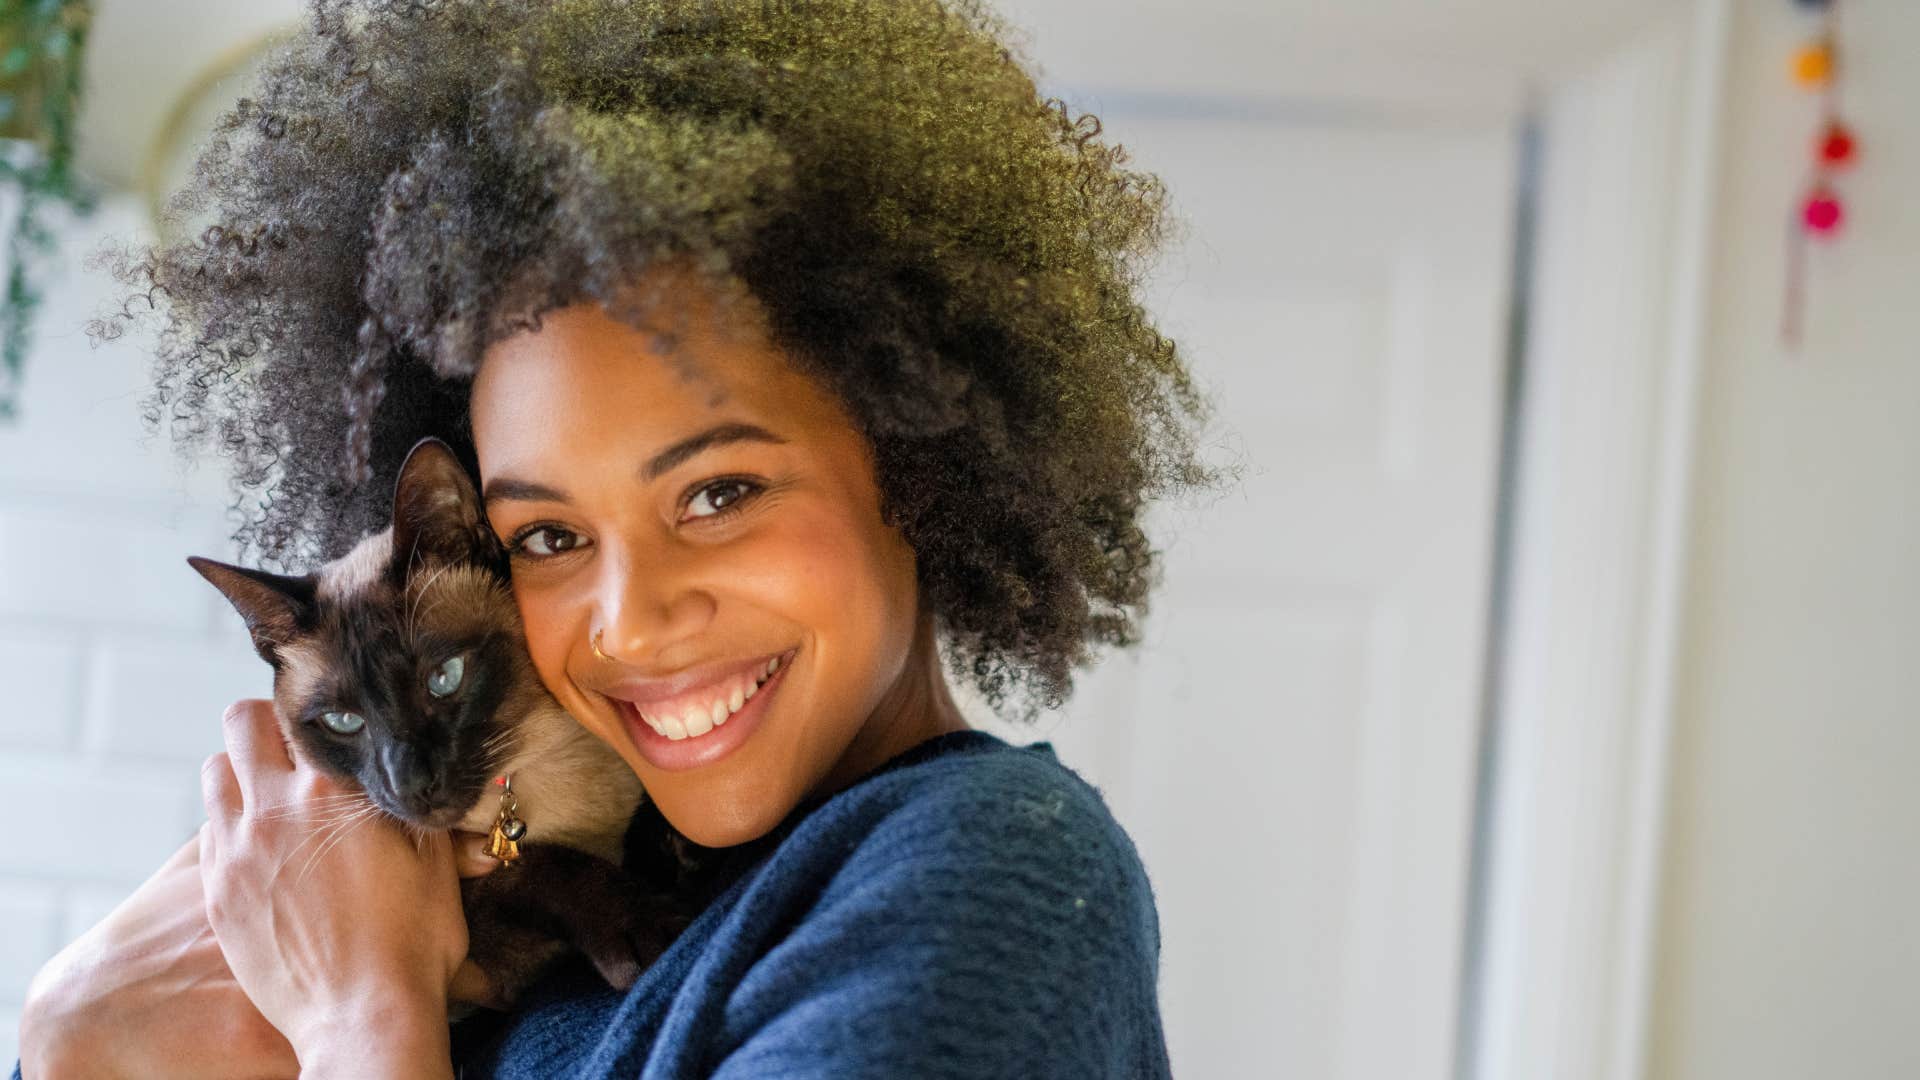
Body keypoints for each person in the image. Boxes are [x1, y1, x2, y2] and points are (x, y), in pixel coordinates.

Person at [17, 0, 1212, 1075]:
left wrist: (360, 1020)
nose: (631, 619)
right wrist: (64, 1040)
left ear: (921, 461)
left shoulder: (990, 873)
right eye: (544, 537)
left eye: (718, 493)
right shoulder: (550, 878)